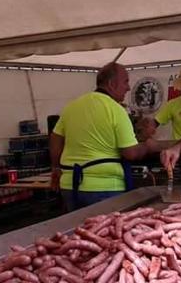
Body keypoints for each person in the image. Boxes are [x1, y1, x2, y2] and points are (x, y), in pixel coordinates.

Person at [50, 62, 158, 211]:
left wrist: (55, 167)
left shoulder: (72, 106)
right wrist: (147, 146)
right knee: (105, 233)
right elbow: (131, 153)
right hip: (104, 189)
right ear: (112, 84)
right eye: (125, 82)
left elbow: (55, 137)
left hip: (70, 186)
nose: (128, 87)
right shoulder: (116, 110)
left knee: (77, 232)